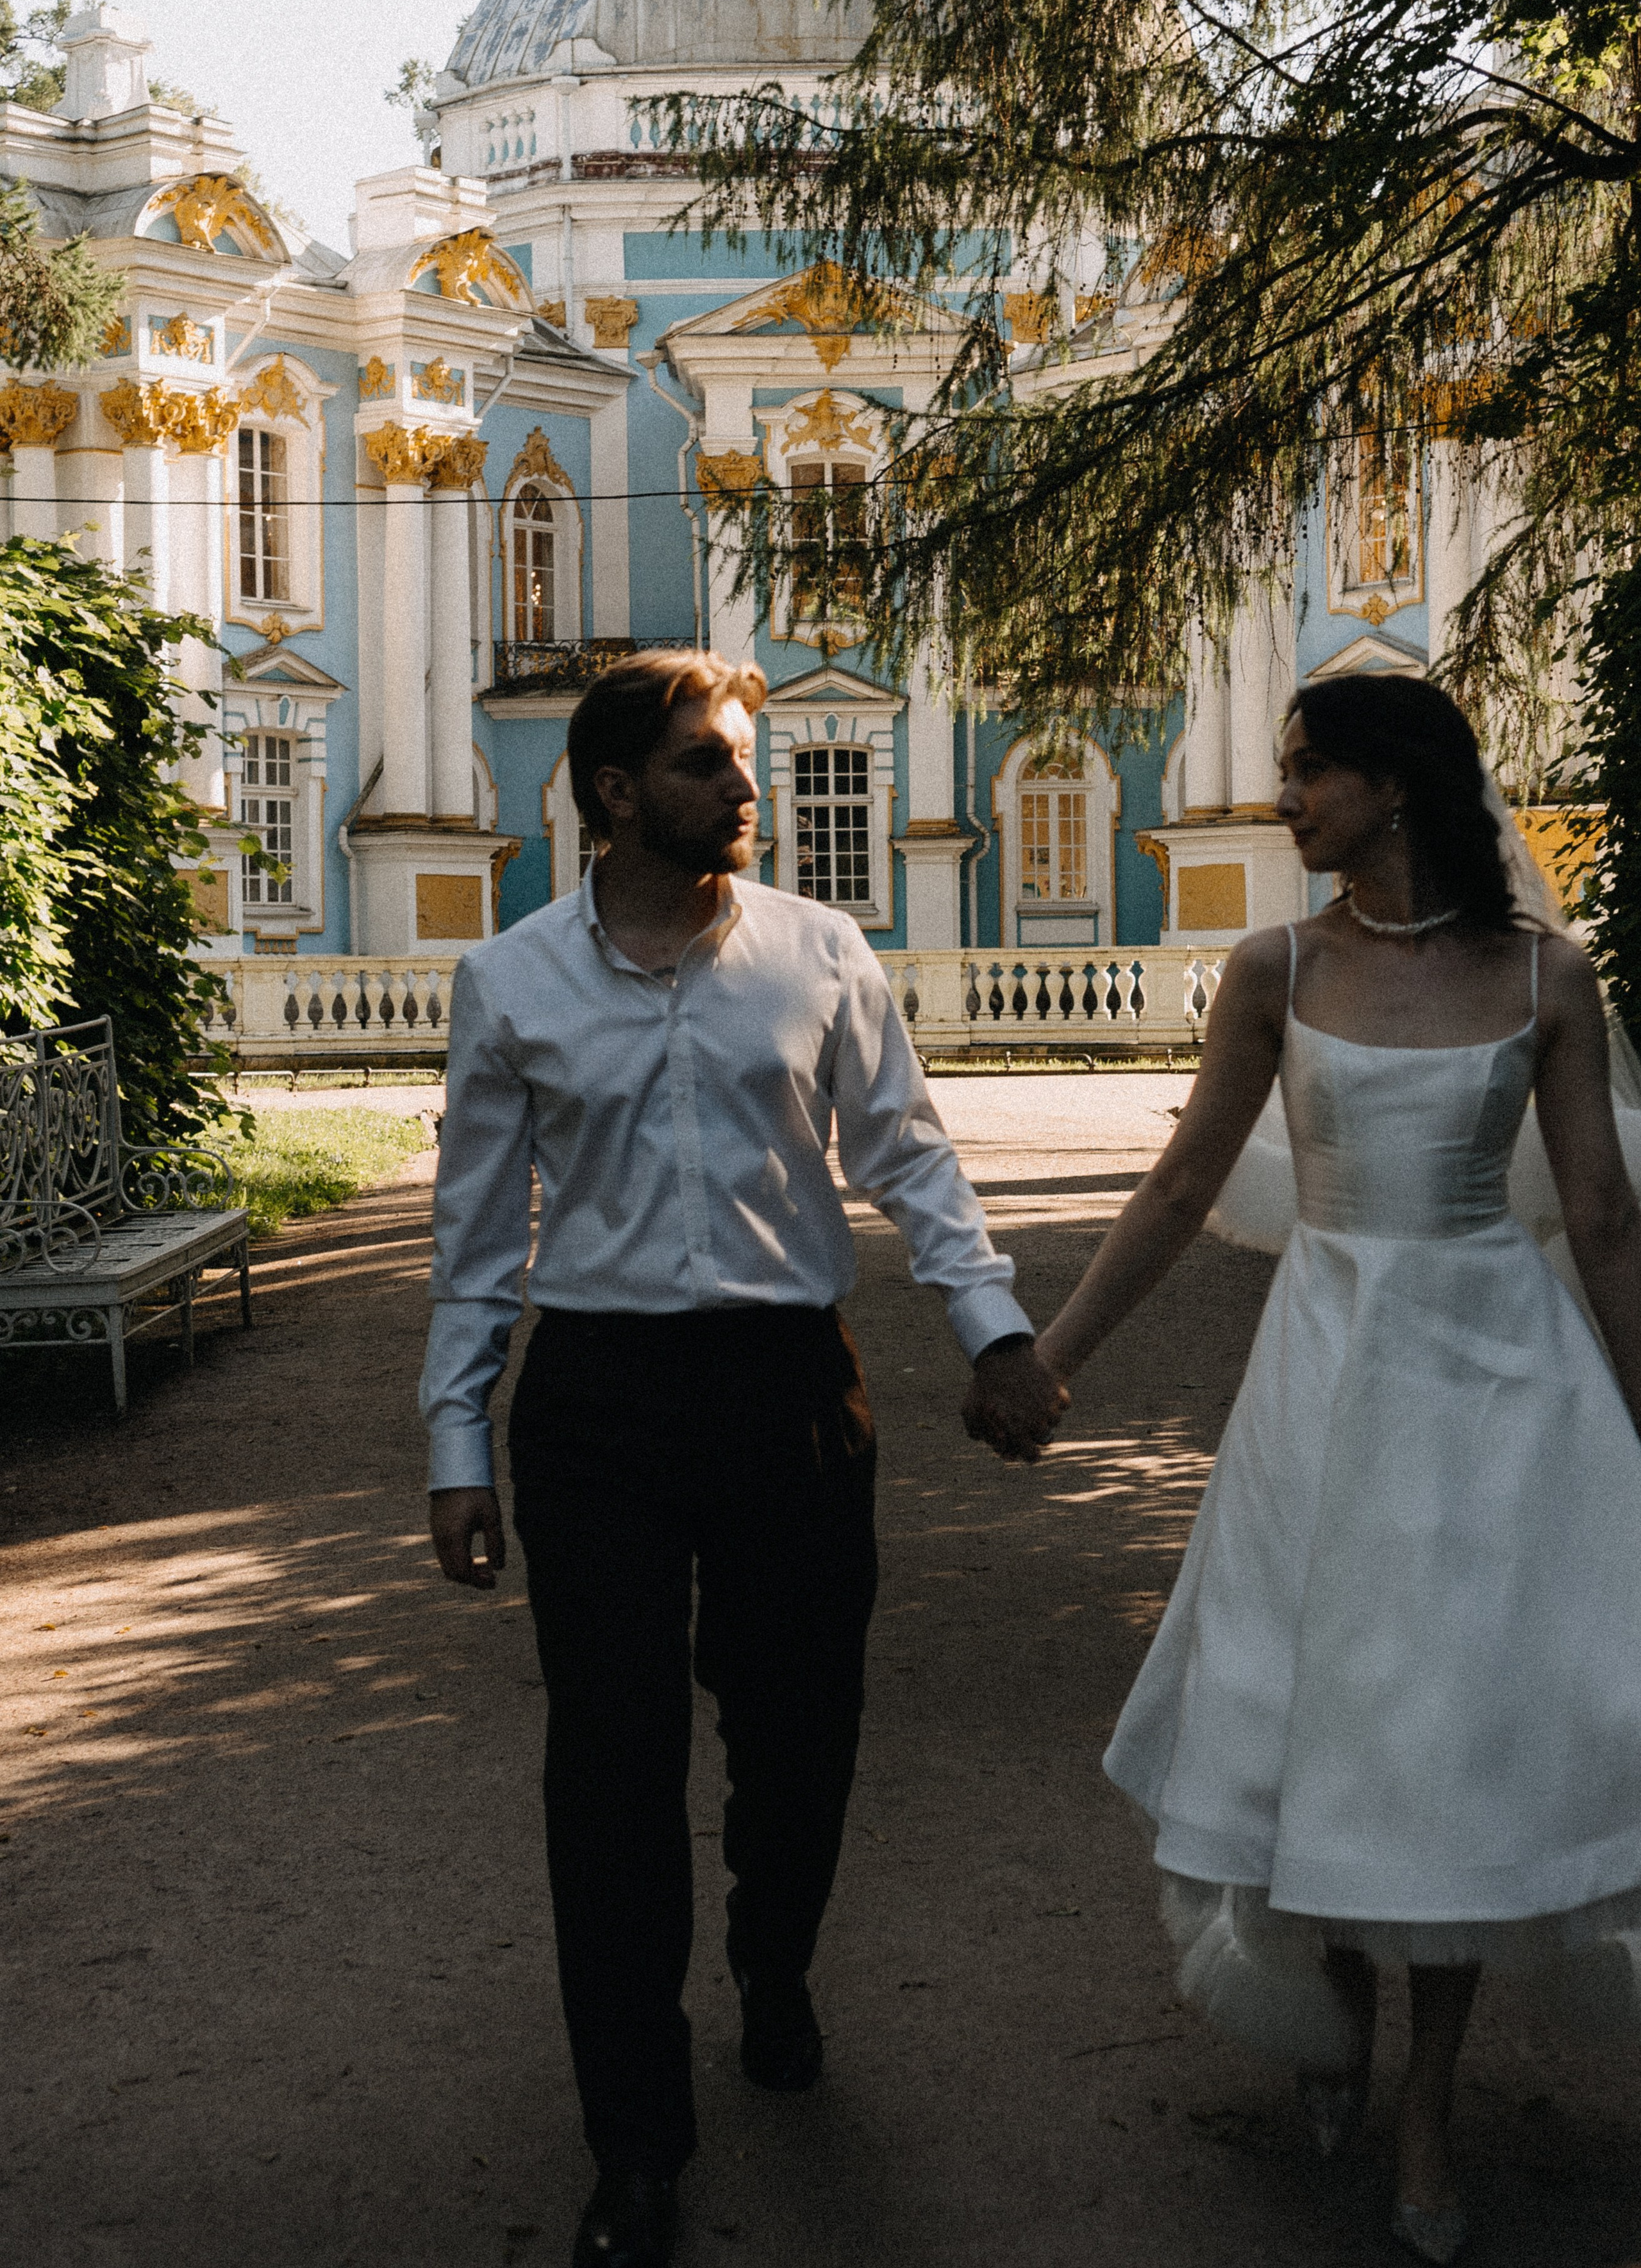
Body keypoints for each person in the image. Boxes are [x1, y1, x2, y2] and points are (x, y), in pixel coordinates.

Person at [968, 673, 1641, 2265]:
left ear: (1393, 787)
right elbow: (1176, 1184)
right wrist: (1047, 1356)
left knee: (1446, 1742)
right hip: (1322, 1380)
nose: (1280, 798)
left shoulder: (1547, 977)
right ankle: (1330, 2008)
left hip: (1491, 1389)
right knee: (1303, 1713)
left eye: (1305, 772)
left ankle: (1426, 2103)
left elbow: (1602, 1221)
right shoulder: (1272, 967)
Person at [421, 648, 1065, 2268]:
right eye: (709, 764)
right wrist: (457, 1444)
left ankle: (772, 1962)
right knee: (609, 1769)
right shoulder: (510, 984)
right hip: (603, 1408)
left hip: (792, 1389)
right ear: (619, 790)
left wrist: (991, 1332)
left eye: (742, 762)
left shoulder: (819, 950)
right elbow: (478, 1234)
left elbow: (907, 1153)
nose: (743, 788)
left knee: (801, 1737)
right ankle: (634, 2143)